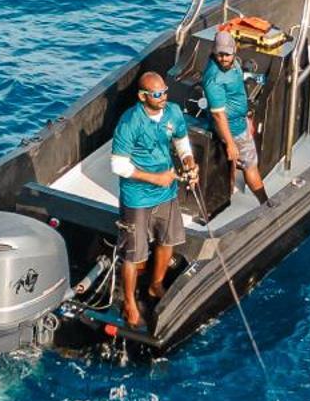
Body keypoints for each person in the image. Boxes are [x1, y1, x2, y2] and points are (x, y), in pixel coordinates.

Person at [109, 70, 198, 328]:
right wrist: (154, 178)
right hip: (137, 198)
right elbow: (118, 165)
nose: (163, 97)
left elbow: (181, 141)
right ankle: (128, 302)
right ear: (143, 96)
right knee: (133, 254)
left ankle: (155, 285)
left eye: (165, 92)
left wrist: (189, 160)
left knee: (167, 241)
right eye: (157, 94)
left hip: (167, 194)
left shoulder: (173, 113)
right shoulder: (130, 122)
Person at [202, 29, 269, 207]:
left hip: (239, 122)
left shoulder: (234, 65)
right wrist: (231, 142)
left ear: (235, 50)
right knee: (250, 164)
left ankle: (228, 190)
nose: (223, 58)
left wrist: (247, 117)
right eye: (219, 54)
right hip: (232, 129)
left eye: (227, 54)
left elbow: (238, 92)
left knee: (231, 161)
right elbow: (218, 114)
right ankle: (265, 203)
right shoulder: (214, 79)